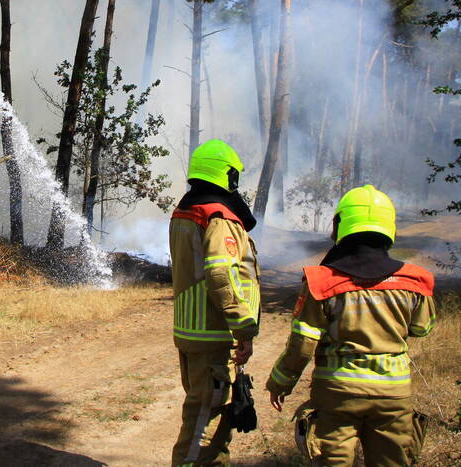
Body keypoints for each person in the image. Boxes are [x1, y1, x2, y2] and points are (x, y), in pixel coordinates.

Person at [266, 184, 436, 466]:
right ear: (389, 226)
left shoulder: (322, 282)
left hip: (337, 395)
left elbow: (302, 344)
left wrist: (280, 382)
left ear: (340, 225)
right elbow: (421, 328)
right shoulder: (415, 282)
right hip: (392, 394)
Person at [170, 139, 261, 467]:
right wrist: (244, 326)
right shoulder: (218, 218)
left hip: (194, 334)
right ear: (228, 176)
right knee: (203, 432)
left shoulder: (186, 210)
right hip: (213, 337)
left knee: (214, 424)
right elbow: (221, 277)